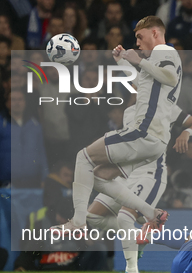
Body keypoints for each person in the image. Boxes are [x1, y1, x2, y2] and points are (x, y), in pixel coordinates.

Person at [52, 16, 182, 237]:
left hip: (144, 133)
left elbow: (169, 77)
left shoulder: (164, 52)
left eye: (140, 37)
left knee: (83, 157)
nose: (138, 44)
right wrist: (122, 62)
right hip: (155, 140)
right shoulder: (158, 60)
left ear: (155, 33)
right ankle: (150, 214)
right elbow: (144, 85)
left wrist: (139, 61)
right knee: (100, 175)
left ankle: (78, 222)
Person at [85, 102, 192, 273]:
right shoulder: (129, 112)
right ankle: (147, 234)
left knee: (125, 217)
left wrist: (186, 132)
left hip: (150, 174)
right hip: (126, 175)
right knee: (92, 216)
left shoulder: (166, 107)